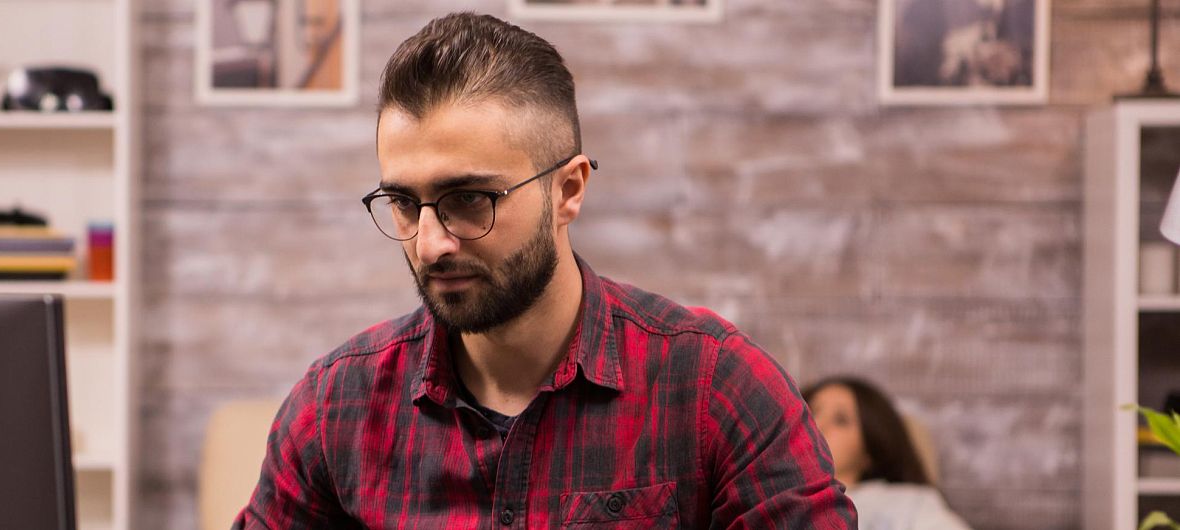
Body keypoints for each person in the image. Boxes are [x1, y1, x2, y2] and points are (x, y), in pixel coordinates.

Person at [234, 12, 856, 529]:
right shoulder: (335, 408)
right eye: (402, 201)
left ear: (568, 190)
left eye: (469, 199)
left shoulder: (715, 388)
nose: (429, 245)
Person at [803, 376, 972, 530]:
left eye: (841, 420)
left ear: (869, 452)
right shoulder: (788, 504)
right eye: (811, 412)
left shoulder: (908, 505)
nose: (817, 424)